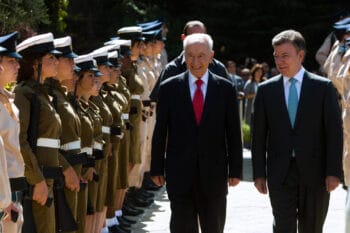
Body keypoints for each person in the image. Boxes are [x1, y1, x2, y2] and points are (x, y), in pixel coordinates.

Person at [252, 29, 343, 233]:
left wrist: (333, 172)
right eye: (276, 56)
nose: (280, 61)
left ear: (300, 55)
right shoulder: (266, 90)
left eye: (285, 56)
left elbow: (334, 134)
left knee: (312, 227)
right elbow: (258, 136)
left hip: (316, 174)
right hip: (280, 173)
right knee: (283, 227)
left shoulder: (323, 88)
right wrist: (259, 173)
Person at [150, 33, 242, 233]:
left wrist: (235, 170)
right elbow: (160, 131)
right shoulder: (169, 88)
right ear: (184, 56)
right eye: (190, 55)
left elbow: (234, 132)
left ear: (211, 56)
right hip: (179, 174)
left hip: (214, 176)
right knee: (181, 227)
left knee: (213, 227)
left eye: (201, 55)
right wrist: (156, 167)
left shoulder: (225, 89)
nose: (196, 61)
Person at [15, 33, 63, 233]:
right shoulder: (24, 93)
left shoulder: (42, 94)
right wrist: (37, 180)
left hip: (49, 177)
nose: (56, 61)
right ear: (35, 63)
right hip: (38, 180)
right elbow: (21, 140)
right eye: (51, 58)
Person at [149, 20, 228, 102]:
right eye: (193, 37)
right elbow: (158, 102)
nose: (197, 42)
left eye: (201, 37)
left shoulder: (218, 69)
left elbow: (228, 101)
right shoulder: (171, 70)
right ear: (183, 38)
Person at [0, 32, 25, 233]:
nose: (17, 66)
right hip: (4, 197)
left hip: (14, 190)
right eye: (11, 61)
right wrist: (4, 201)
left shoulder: (9, 100)